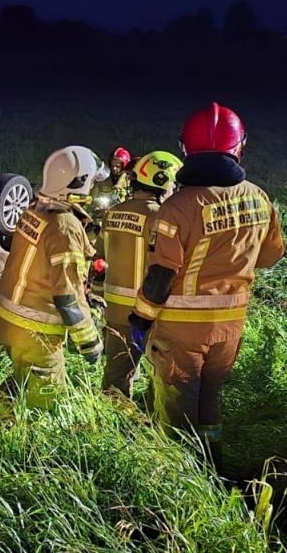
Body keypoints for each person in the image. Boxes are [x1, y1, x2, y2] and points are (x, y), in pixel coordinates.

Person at [127, 102, 285, 470]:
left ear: (186, 150)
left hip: (182, 334)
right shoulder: (259, 198)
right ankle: (214, 465)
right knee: (209, 404)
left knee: (178, 413)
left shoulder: (178, 208)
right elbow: (270, 256)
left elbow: (161, 277)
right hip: (230, 330)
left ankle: (181, 485)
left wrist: (140, 321)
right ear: (239, 147)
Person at [0, 146, 105, 414]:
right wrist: (89, 342)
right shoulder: (65, 227)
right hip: (35, 327)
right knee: (48, 400)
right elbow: (67, 296)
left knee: (23, 378)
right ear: (80, 183)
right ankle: (23, 450)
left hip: (10, 319)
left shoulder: (35, 211)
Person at [94, 150, 183, 400]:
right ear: (163, 182)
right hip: (149, 311)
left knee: (116, 376)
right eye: (173, 184)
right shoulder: (160, 217)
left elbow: (99, 258)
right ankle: (156, 421)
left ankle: (113, 423)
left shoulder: (113, 213)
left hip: (114, 311)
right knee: (163, 375)